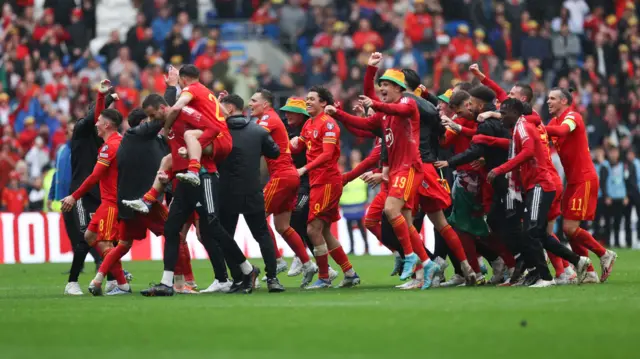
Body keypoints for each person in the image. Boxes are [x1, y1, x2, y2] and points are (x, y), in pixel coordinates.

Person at [328, 69, 440, 289]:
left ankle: (409, 256)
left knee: (391, 211)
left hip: (409, 168)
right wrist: (338, 114)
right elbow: (364, 126)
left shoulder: (407, 103)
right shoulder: (385, 114)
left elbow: (392, 108)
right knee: (406, 223)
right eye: (381, 85)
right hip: (397, 170)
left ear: (399, 88)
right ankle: (427, 263)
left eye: (386, 84)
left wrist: (374, 103)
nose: (382, 89)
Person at [138, 94, 259, 296]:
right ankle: (167, 283)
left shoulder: (186, 114)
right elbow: (174, 155)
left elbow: (213, 127)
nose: (152, 120)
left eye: (152, 115)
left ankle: (247, 270)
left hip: (205, 176)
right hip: (185, 180)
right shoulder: (167, 128)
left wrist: (197, 147)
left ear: (162, 107)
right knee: (171, 228)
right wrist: (168, 173)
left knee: (212, 225)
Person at [484, 98, 591, 287]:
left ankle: (546, 277)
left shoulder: (523, 126)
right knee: (537, 232)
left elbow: (528, 152)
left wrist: (501, 169)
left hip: (541, 184)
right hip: (536, 185)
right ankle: (578, 261)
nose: (500, 116)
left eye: (503, 113)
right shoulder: (519, 127)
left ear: (515, 113)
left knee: (531, 232)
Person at [86, 108, 174, 295]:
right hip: (146, 201)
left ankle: (100, 279)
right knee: (175, 234)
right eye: (149, 119)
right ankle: (182, 281)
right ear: (143, 123)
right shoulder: (144, 142)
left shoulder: (128, 141)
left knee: (123, 244)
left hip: (126, 203)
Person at [290, 86, 360, 289]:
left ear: (323, 103)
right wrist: (289, 143)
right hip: (317, 182)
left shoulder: (329, 124)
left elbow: (327, 154)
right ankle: (349, 273)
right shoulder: (309, 124)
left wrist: (304, 168)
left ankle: (324, 277)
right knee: (325, 231)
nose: (308, 102)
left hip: (328, 181)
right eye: (307, 99)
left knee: (313, 229)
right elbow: (301, 145)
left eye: (312, 99)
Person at [60, 93, 130, 296]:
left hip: (100, 193)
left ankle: (114, 280)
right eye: (96, 117)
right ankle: (73, 282)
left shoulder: (107, 142)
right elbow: (95, 116)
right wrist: (105, 97)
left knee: (104, 238)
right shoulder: (82, 129)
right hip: (82, 191)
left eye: (101, 119)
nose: (97, 121)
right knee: (86, 235)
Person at [546, 88, 617, 283]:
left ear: (564, 101)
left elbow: (562, 131)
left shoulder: (573, 117)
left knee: (570, 228)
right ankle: (590, 272)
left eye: (552, 98)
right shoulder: (552, 122)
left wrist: (539, 128)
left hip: (585, 178)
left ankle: (604, 254)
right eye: (547, 98)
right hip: (572, 181)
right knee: (569, 230)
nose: (548, 101)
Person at [218, 94, 285, 292]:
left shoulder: (219, 132)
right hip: (252, 190)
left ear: (229, 108)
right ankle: (272, 278)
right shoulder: (258, 131)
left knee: (225, 237)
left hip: (226, 192)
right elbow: (274, 152)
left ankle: (240, 278)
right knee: (262, 234)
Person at [250, 89, 317, 281]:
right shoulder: (272, 122)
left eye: (254, 101)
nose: (250, 104)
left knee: (257, 216)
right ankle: (307, 263)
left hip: (282, 176)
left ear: (265, 104)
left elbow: (251, 139)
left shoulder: (268, 119)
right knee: (282, 225)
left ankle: (277, 260)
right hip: (290, 176)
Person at [160, 65, 228, 187]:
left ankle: (193, 171)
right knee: (169, 158)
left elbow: (176, 108)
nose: (179, 85)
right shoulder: (207, 91)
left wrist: (166, 128)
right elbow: (226, 113)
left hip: (215, 137)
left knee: (189, 135)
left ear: (184, 79)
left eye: (179, 81)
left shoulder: (190, 89)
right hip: (224, 138)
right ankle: (148, 198)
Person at [340, 149, 369, 255]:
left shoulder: (361, 168)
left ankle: (366, 246)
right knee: (349, 227)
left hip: (358, 201)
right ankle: (352, 247)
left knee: (360, 225)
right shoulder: (347, 168)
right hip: (347, 202)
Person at [604, 146, 627, 248]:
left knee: (618, 221)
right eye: (611, 152)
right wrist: (606, 196)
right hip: (610, 198)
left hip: (620, 197)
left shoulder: (623, 166)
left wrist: (626, 195)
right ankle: (608, 242)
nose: (613, 154)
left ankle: (617, 242)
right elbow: (602, 182)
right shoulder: (605, 165)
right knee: (608, 221)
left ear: (618, 153)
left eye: (615, 152)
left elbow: (626, 181)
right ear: (608, 154)